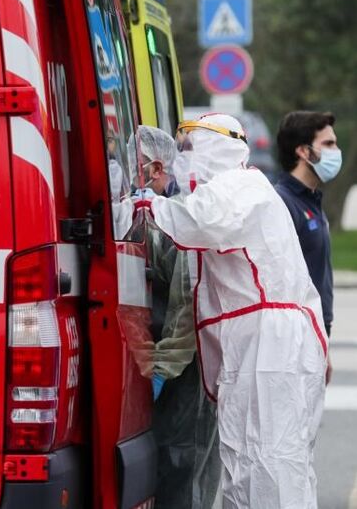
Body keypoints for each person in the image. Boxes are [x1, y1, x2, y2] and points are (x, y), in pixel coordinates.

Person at [137, 113, 327, 509]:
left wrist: (145, 206)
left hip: (268, 347)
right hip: (262, 344)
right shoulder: (236, 189)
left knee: (269, 464)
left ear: (214, 147)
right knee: (252, 462)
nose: (183, 159)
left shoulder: (238, 187)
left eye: (189, 148)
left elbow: (198, 221)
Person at [131, 125, 219, 509]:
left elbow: (187, 311)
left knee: (185, 465)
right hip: (166, 369)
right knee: (170, 465)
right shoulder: (149, 217)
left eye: (131, 165)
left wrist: (161, 369)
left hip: (187, 373)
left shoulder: (178, 222)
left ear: (154, 168)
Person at [274, 111, 339, 341]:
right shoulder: (282, 202)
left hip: (318, 329)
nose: (336, 152)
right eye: (328, 144)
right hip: (297, 333)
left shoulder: (311, 200)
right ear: (303, 151)